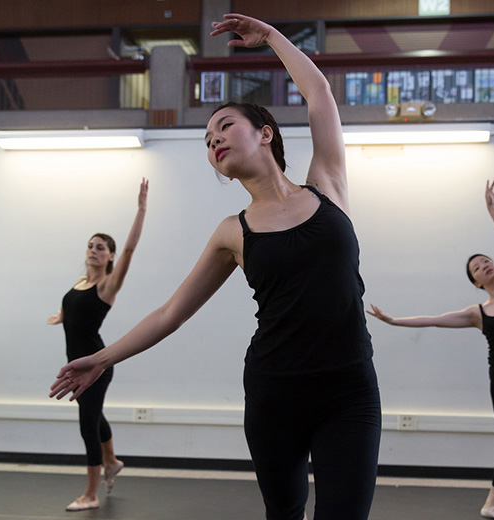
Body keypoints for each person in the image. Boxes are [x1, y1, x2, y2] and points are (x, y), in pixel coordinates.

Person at [50, 14, 381, 520]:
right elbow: (171, 313)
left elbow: (320, 97)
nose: (214, 142)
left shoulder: (328, 186)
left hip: (350, 389)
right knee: (285, 512)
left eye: (224, 126)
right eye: (207, 140)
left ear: (265, 133)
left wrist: (270, 37)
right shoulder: (233, 231)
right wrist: (102, 358)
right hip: (275, 391)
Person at [368, 179, 494, 520]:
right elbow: (434, 320)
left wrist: (492, 210)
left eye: (487, 260)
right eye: (478, 267)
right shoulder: (476, 313)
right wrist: (393, 321)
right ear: (477, 282)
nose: (486, 264)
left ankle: (490, 504)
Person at [47, 177, 148, 511]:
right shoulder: (80, 282)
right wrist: (61, 316)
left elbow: (131, 250)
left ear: (110, 257)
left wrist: (141, 210)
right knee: (94, 416)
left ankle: (90, 494)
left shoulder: (107, 285)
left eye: (101, 247)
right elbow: (75, 309)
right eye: (91, 245)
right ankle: (113, 461)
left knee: (87, 426)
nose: (93, 250)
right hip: (77, 364)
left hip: (96, 366)